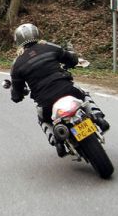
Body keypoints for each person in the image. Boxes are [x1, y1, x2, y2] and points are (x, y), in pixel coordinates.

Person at [9, 23, 110, 157]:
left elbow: (16, 94)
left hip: (46, 102)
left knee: (42, 119)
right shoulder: (49, 47)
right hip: (68, 89)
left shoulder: (17, 64)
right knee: (84, 95)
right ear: (37, 33)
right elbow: (71, 59)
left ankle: (58, 142)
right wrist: (71, 62)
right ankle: (98, 118)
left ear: (18, 41)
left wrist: (18, 95)